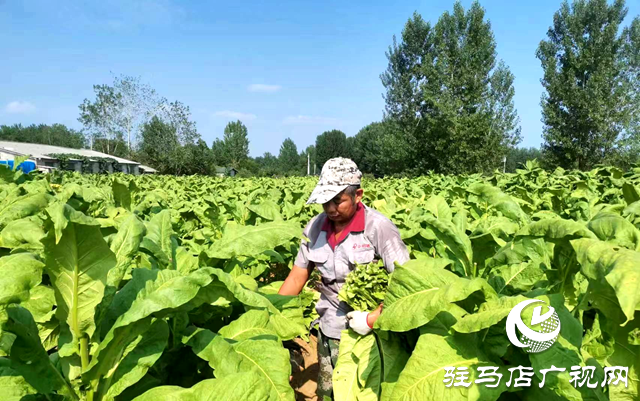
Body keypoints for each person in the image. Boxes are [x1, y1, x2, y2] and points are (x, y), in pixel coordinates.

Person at [278, 157, 409, 400]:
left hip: (370, 337)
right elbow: (298, 275)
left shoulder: (379, 228)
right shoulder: (315, 228)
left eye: (337, 201)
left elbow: (406, 281)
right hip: (329, 329)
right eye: (325, 201)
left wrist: (372, 319)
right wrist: (272, 316)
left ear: (358, 195)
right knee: (328, 392)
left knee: (365, 393)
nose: (330, 208)